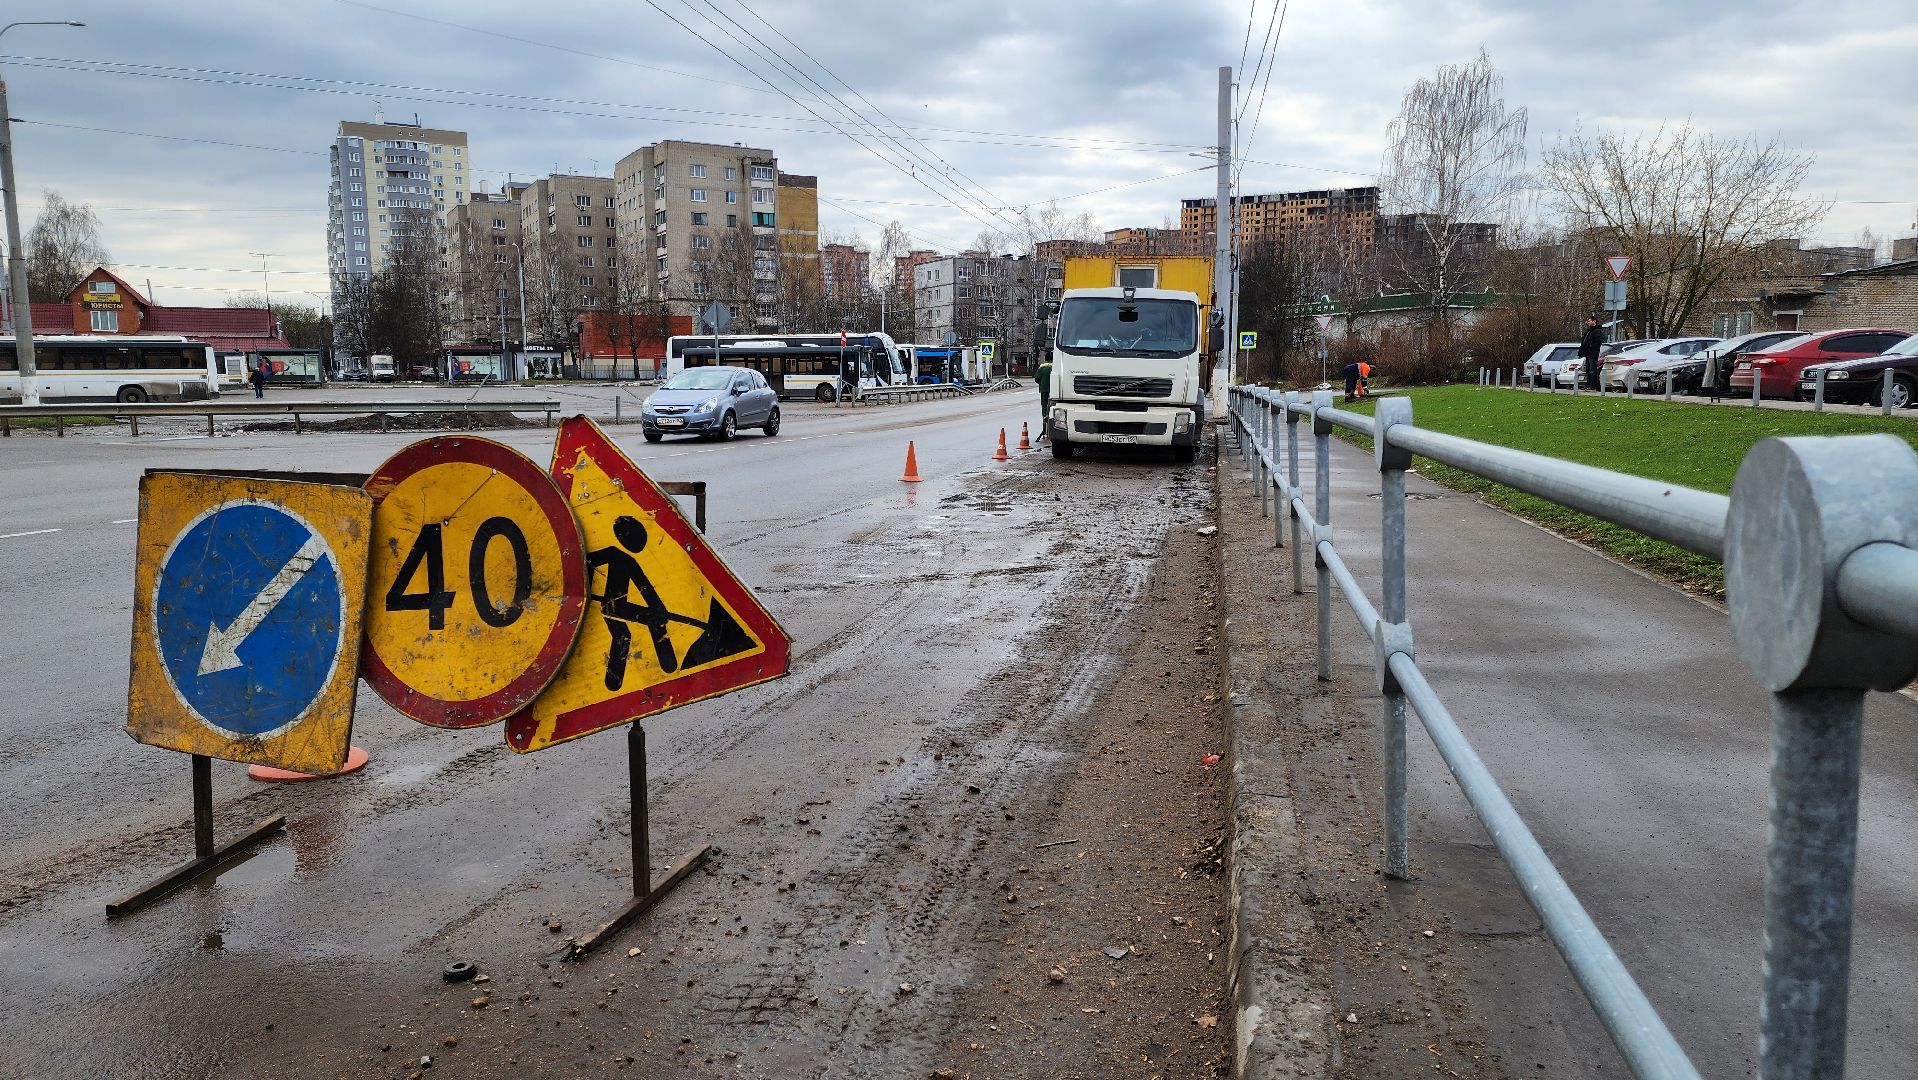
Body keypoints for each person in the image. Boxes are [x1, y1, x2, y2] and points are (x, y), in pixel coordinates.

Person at [1578, 316, 1605, 391]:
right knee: (1588, 370)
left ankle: (1594, 385)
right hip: (1587, 353)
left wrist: (1589, 348)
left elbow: (1598, 342)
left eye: (1589, 321)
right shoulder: (1589, 331)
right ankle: (1589, 384)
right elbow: (1584, 341)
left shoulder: (1597, 331)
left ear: (1594, 321)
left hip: (1593, 353)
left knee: (1592, 370)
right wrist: (1582, 350)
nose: (1588, 322)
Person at [1034, 355, 1053, 442]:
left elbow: (1036, 378)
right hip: (1054, 391)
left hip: (1044, 390)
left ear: (1045, 359)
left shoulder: (1041, 368)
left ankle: (1045, 430)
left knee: (1044, 410)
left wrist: (1042, 383)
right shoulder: (1055, 367)